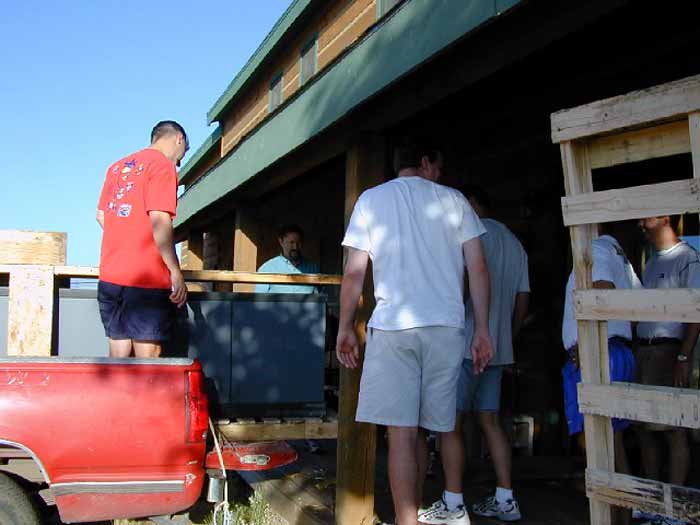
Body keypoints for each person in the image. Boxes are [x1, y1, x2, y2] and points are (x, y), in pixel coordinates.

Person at [337, 139, 493, 525]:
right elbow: (478, 268)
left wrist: (345, 327)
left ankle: (408, 521)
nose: (439, 175)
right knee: (440, 427)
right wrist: (484, 330)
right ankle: (444, 506)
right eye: (437, 166)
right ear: (424, 162)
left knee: (402, 435)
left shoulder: (371, 200)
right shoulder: (455, 201)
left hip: (393, 330)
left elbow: (355, 272)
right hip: (445, 328)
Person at [418, 186, 529, 524]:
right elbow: (523, 298)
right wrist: (507, 335)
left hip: (465, 342)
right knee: (490, 422)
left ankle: (453, 503)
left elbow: (464, 283)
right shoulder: (514, 243)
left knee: (449, 423)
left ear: (475, 205)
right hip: (498, 346)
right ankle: (506, 498)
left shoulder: (471, 235)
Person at [562, 221, 641, 525]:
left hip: (597, 351)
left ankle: (611, 514)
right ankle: (622, 512)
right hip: (613, 348)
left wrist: (586, 342)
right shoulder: (619, 253)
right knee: (611, 438)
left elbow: (603, 290)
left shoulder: (595, 248)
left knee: (596, 440)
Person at [96, 120, 189, 358]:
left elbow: (101, 216)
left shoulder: (117, 167)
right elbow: (159, 219)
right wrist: (175, 271)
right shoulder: (163, 166)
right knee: (147, 362)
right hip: (146, 278)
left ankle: (115, 397)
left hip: (110, 275)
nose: (179, 161)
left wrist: (127, 236)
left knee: (118, 355)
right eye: (183, 153)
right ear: (178, 139)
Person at [635, 215, 700, 525]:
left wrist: (684, 357)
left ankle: (675, 509)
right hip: (644, 350)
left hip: (669, 350)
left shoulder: (687, 257)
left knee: (675, 430)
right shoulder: (650, 261)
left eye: (645, 214)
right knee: (646, 430)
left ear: (663, 217)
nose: (639, 221)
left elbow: (697, 310)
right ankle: (654, 503)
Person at [255, 224, 319, 294]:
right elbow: (259, 300)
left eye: (298, 243)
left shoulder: (313, 268)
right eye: (291, 243)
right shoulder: (267, 269)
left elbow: (318, 299)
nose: (295, 247)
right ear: (281, 242)